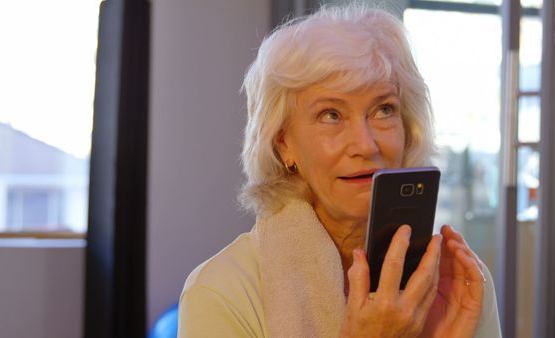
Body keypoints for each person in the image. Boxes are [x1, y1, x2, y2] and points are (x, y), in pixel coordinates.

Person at [178, 4, 501, 338]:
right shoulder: (219, 292)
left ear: (408, 130)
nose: (365, 144)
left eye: (384, 109)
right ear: (283, 144)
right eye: (330, 114)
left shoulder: (458, 281)